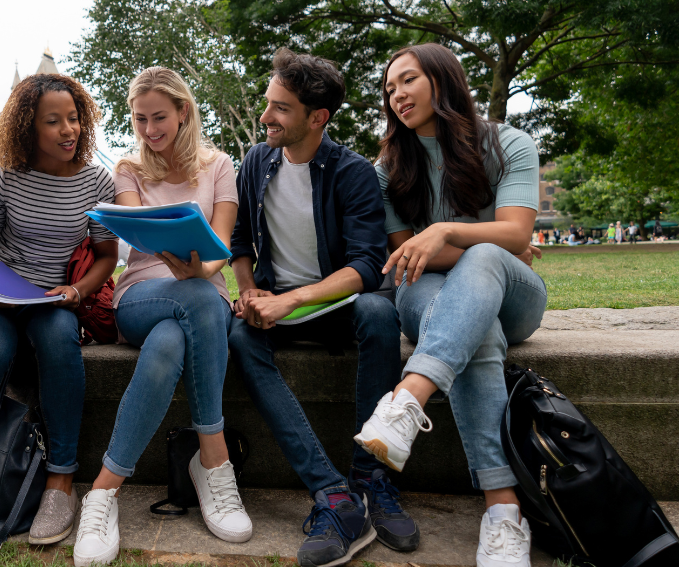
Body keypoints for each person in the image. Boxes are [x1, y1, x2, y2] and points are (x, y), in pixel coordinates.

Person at [355, 43, 545, 567]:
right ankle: (503, 512)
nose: (397, 95)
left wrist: (445, 232)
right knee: (477, 323)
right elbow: (405, 257)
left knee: (484, 259)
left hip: (515, 297)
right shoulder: (387, 169)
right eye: (389, 88)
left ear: (443, 80)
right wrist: (487, 245)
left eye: (408, 80)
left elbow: (515, 232)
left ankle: (407, 399)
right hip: (425, 291)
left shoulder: (509, 143)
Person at [228, 49, 415, 563]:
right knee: (241, 336)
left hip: (336, 304)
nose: (265, 116)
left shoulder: (352, 172)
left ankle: (371, 478)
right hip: (278, 305)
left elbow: (367, 267)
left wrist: (292, 300)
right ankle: (333, 494)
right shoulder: (256, 162)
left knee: (380, 313)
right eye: (268, 103)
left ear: (317, 118)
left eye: (280, 108)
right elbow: (240, 239)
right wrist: (249, 291)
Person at [73, 68, 251, 567]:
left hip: (202, 289)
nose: (149, 129)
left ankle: (103, 491)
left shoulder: (220, 165)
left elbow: (221, 245)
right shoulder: (128, 168)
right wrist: (180, 264)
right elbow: (140, 235)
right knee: (196, 301)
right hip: (141, 296)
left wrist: (200, 269)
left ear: (183, 112)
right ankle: (214, 459)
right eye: (140, 119)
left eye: (159, 118)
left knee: (174, 337)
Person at [0, 74, 119, 544]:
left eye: (73, 118)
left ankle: (61, 480)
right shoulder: (3, 175)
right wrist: (4, 286)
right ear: (27, 127)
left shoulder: (97, 180)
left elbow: (105, 255)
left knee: (59, 343)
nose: (68, 130)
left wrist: (76, 291)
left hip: (55, 297)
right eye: (53, 121)